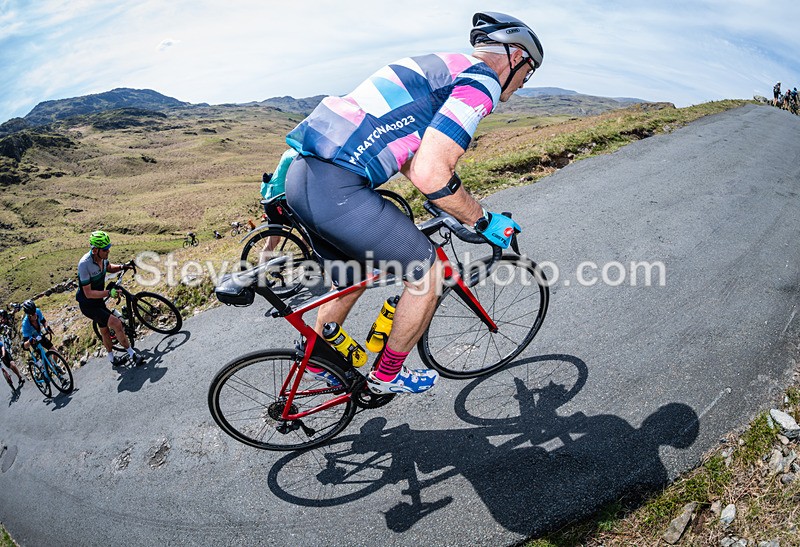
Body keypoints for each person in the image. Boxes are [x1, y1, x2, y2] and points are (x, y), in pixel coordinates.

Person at [283, 12, 541, 394]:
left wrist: (447, 203)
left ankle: (319, 361)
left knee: (351, 279)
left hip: (303, 178)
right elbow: (432, 173)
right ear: (515, 56)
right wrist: (482, 219)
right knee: (430, 273)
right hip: (338, 188)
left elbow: (408, 155)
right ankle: (388, 375)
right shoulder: (480, 80)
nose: (522, 84)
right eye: (529, 71)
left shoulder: (442, 66)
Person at [75, 231, 143, 366]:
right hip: (88, 305)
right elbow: (88, 293)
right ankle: (132, 354)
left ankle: (112, 359)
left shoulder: (102, 258)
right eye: (105, 249)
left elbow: (109, 267)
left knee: (104, 330)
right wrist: (109, 293)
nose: (108, 251)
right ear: (95, 250)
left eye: (108, 248)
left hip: (98, 301)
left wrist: (123, 266)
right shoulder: (84, 264)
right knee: (116, 324)